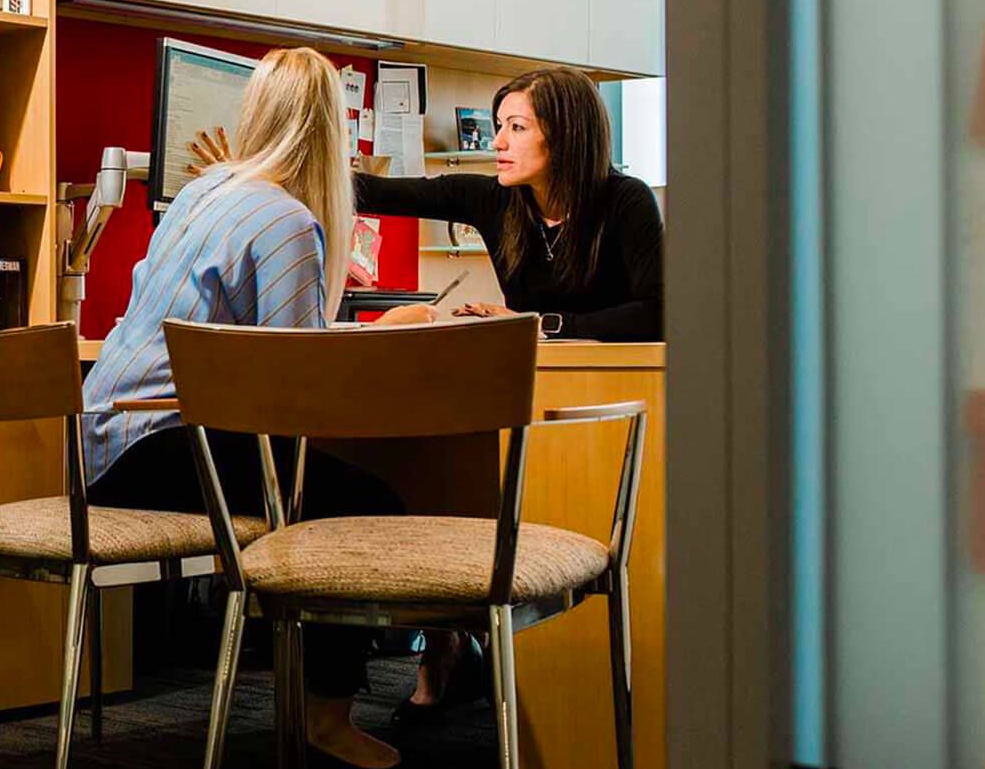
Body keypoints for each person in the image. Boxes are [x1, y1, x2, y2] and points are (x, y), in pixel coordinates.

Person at [187, 64, 663, 720]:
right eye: (498, 126)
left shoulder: (626, 202)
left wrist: (542, 325)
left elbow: (657, 311)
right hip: (509, 387)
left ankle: (469, 658)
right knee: (433, 471)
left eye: (516, 128)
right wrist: (260, 166)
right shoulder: (493, 199)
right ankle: (445, 647)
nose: (498, 141)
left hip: (594, 403)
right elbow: (370, 188)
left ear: (568, 136)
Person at [84, 47, 425, 769]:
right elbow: (298, 382)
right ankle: (326, 718)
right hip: (163, 442)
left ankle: (311, 691)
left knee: (314, 491)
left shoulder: (204, 192)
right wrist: (382, 330)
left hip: (102, 446)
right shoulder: (288, 222)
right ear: (332, 132)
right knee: (366, 508)